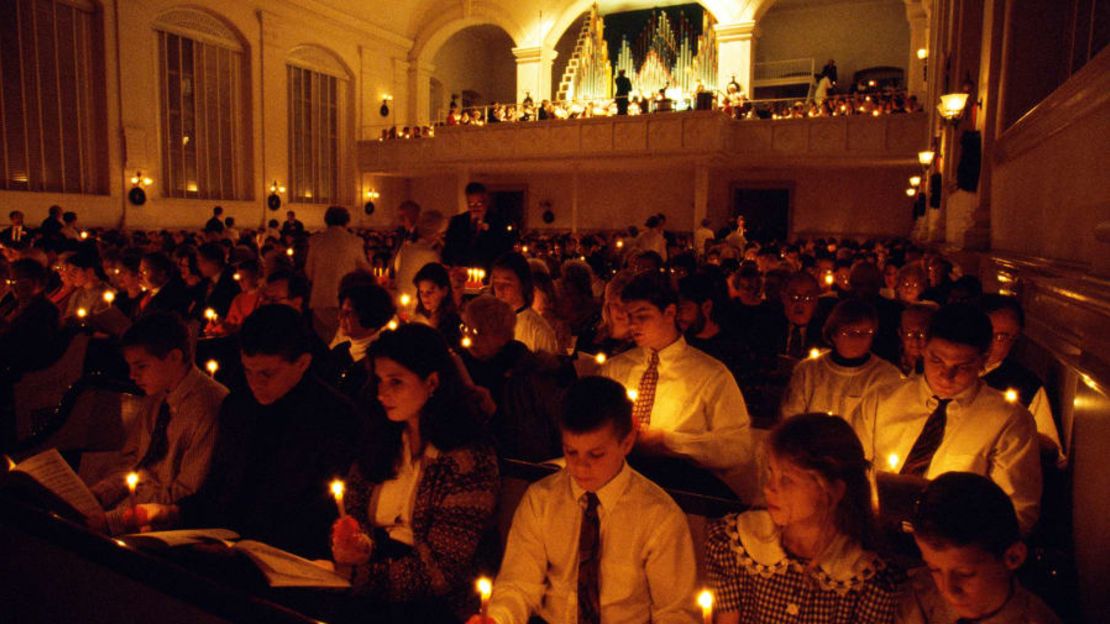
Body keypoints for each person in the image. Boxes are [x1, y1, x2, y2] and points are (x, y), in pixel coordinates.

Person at [471, 376, 699, 624]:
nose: (581, 466)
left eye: (596, 454)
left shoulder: (658, 515)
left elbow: (674, 612)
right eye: (571, 452)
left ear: (627, 442)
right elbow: (519, 585)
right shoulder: (542, 500)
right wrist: (499, 618)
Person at [140, 305, 361, 558]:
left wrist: (245, 549)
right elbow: (219, 488)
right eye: (248, 371)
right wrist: (174, 513)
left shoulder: (336, 418)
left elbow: (320, 516)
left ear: (302, 363)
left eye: (267, 373)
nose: (256, 382)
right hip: (224, 544)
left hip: (290, 559)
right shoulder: (238, 405)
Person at [330, 324, 498, 619]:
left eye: (396, 382)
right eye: (379, 381)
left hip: (432, 604)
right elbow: (354, 503)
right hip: (372, 583)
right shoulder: (384, 437)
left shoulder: (467, 460)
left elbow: (441, 571)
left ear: (432, 382)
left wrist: (359, 577)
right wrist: (357, 545)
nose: (382, 394)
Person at [850, 303, 1042, 534]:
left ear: (984, 358)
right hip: (876, 534)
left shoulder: (1009, 421)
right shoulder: (881, 400)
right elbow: (851, 473)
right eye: (937, 360)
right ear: (924, 348)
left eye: (962, 366)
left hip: (956, 548)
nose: (946, 375)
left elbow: (1017, 512)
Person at [707, 414, 903, 624]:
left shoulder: (865, 575)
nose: (769, 488)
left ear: (833, 491)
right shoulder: (738, 543)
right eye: (771, 472)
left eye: (787, 480)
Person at [599, 272, 755, 499]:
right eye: (629, 316)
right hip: (620, 487)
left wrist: (670, 442)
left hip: (682, 491)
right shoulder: (614, 370)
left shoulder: (710, 375)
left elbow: (738, 448)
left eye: (642, 316)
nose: (633, 325)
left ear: (670, 312)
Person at [89, 313, 227, 535]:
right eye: (130, 366)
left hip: (166, 524)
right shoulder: (156, 396)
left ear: (174, 357)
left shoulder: (208, 406)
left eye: (141, 366)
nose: (132, 376)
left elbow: (187, 492)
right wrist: (96, 495)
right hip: (132, 506)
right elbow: (136, 463)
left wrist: (115, 517)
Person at [900, 472, 1061, 624]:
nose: (948, 590)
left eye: (965, 574)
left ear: (1013, 557)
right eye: (934, 569)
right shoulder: (918, 594)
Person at [458, 295, 564, 462]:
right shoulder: (460, 363)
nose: (468, 336)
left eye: (476, 331)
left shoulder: (526, 374)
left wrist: (493, 412)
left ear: (500, 337)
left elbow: (529, 441)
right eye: (464, 328)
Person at [781, 299, 901, 420]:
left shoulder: (886, 376)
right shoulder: (808, 371)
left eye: (865, 333)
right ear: (834, 334)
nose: (857, 339)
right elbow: (791, 419)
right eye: (850, 333)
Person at [979, 294, 1064, 465]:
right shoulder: (945, 373)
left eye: (1001, 337)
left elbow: (1052, 453)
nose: (989, 342)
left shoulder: (1026, 385)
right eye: (985, 331)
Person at [306, 206, 371, 340]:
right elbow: (365, 270)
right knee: (345, 342)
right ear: (346, 221)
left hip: (321, 300)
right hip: (346, 300)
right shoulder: (354, 241)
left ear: (326, 220)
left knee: (323, 343)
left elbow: (309, 272)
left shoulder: (315, 241)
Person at [491, 252, 559, 354]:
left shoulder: (538, 331)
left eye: (507, 283)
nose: (499, 288)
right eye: (496, 282)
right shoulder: (490, 322)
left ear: (523, 284)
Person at [442, 182, 515, 269]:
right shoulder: (457, 221)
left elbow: (504, 250)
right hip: (462, 273)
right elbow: (449, 249)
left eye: (479, 204)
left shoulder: (498, 222)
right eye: (471, 204)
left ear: (486, 202)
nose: (475, 208)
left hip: (489, 272)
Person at [393, 209, 444, 302]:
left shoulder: (406, 249)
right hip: (421, 303)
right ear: (437, 233)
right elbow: (437, 283)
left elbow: (396, 269)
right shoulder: (431, 255)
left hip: (401, 299)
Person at [412, 262, 463, 347]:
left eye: (430, 292)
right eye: (421, 292)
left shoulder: (451, 324)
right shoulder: (419, 317)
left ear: (444, 291)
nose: (425, 297)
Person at [134, 252, 193, 319]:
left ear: (161, 273)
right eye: (139, 272)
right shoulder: (145, 294)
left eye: (145, 272)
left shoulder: (171, 298)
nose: (140, 277)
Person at [195, 242, 240, 320]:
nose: (198, 266)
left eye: (201, 262)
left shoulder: (231, 282)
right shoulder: (203, 282)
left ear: (214, 262)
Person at [897, 304, 935, 376]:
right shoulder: (889, 361)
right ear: (900, 333)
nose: (915, 341)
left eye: (921, 334)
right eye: (909, 334)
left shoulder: (936, 369)